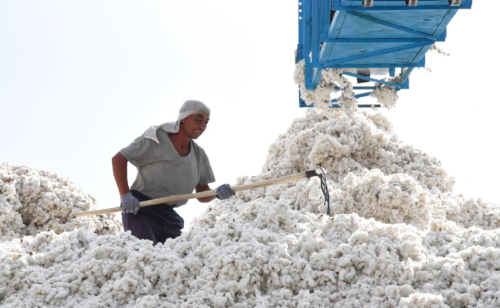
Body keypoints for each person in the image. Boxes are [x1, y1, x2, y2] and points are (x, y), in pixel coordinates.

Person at [112, 100, 235, 245]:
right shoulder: (156, 137)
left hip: (169, 217)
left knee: (178, 258)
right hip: (141, 210)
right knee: (144, 255)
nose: (202, 127)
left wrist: (216, 194)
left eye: (206, 122)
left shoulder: (199, 155)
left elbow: (202, 193)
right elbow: (119, 159)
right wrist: (125, 195)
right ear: (183, 118)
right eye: (198, 120)